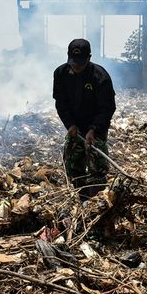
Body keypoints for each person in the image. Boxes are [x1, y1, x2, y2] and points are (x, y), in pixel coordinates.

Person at [53, 39, 116, 200]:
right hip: (75, 125)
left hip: (96, 126)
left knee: (97, 166)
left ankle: (96, 201)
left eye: (80, 63)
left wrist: (94, 129)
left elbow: (107, 108)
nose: (76, 67)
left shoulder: (100, 76)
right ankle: (81, 199)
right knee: (73, 164)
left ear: (89, 57)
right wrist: (70, 124)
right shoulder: (60, 74)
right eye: (73, 63)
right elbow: (61, 103)